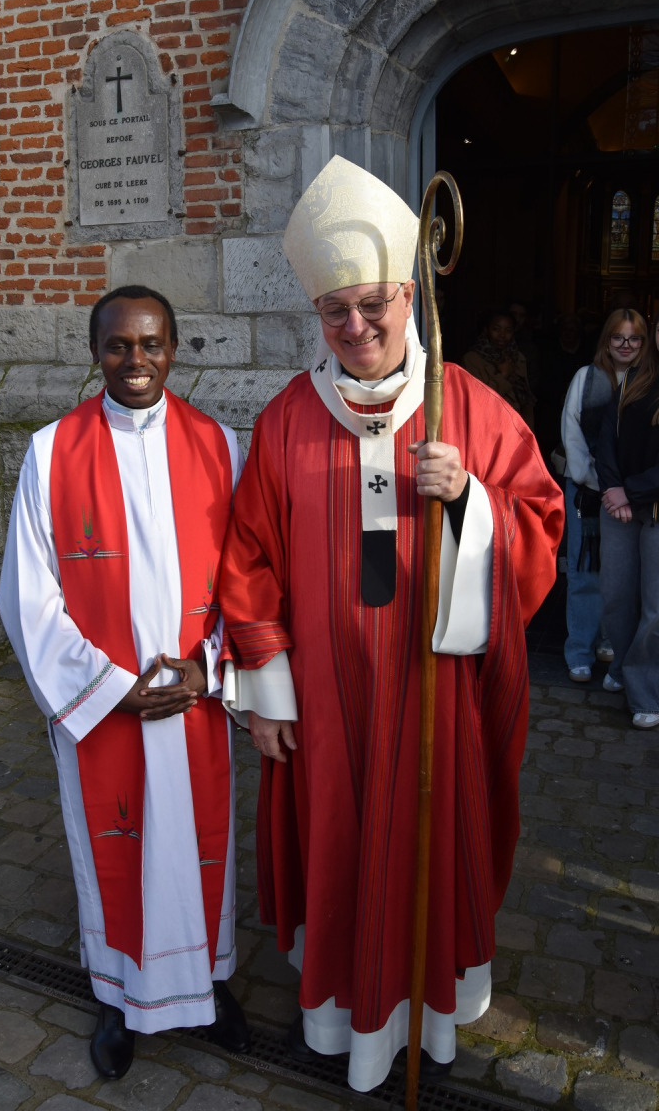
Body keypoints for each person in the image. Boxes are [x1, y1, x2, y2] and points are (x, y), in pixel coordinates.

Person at [219, 156, 563, 1092]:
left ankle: (428, 1022)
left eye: (373, 304)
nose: (357, 327)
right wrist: (268, 690)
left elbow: (541, 525)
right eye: (335, 311)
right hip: (326, 707)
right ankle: (342, 1020)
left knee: (430, 839)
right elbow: (247, 559)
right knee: (339, 844)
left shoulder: (470, 409)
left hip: (432, 694)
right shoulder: (287, 421)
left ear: (409, 296)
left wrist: (472, 504)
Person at [0, 285, 249, 1079]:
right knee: (120, 849)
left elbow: (247, 577)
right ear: (94, 351)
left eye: (150, 343)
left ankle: (208, 983)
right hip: (109, 706)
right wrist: (111, 687)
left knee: (199, 846)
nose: (134, 359)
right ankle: (118, 995)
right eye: (117, 345)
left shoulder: (219, 445)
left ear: (174, 349)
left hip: (194, 697)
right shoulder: (52, 453)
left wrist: (209, 667)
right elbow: (28, 595)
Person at [561, 310, 647, 682]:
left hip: (633, 495)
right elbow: (572, 432)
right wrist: (599, 482)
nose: (625, 345)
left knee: (623, 576)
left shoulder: (649, 381)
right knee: (584, 571)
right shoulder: (586, 377)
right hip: (588, 489)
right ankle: (580, 649)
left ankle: (612, 643)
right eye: (618, 337)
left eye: (634, 338)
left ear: (644, 342)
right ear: (606, 340)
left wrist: (626, 489)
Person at [596, 312, 659, 730]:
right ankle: (622, 664)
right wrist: (613, 488)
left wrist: (630, 491)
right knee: (616, 596)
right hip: (620, 505)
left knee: (655, 609)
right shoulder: (636, 376)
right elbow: (606, 439)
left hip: (652, 508)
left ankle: (645, 692)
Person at [463, 309, 536, 427]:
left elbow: (526, 400)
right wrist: (503, 375)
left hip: (517, 424)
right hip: (489, 423)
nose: (502, 335)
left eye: (508, 330)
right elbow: (478, 399)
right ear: (486, 330)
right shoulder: (472, 359)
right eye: (496, 329)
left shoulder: (517, 357)